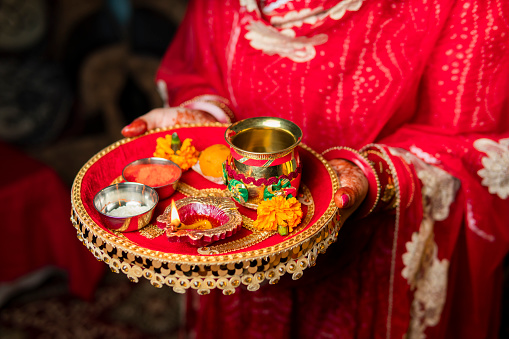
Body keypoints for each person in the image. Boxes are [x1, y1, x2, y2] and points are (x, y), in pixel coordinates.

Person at [121, 0, 509, 338]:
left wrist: (371, 176)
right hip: (238, 247)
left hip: (368, 266)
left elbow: (472, 139)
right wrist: (204, 120)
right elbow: (202, 65)